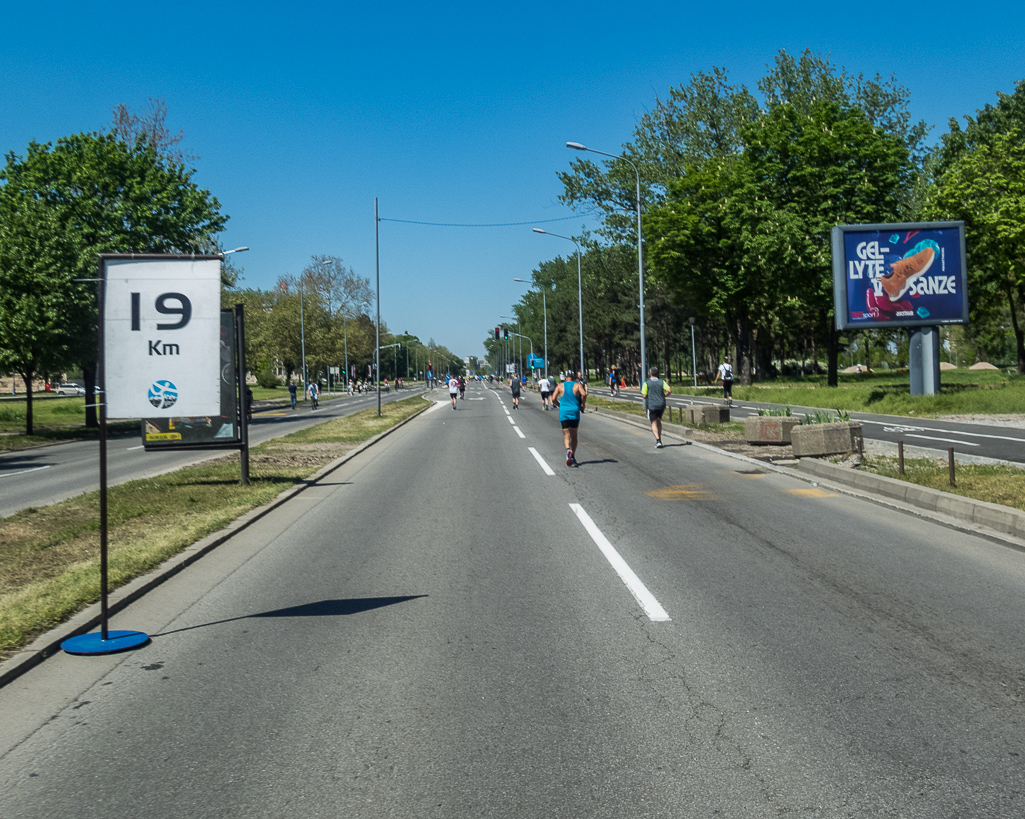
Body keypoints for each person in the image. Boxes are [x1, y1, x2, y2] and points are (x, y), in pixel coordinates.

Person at [552, 370, 586, 467]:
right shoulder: (577, 385)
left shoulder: (560, 386)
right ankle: (573, 455)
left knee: (566, 434)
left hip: (564, 412)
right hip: (574, 411)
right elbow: (583, 394)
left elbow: (553, 398)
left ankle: (568, 451)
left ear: (565, 377)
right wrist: (582, 405)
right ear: (573, 377)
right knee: (574, 435)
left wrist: (558, 404)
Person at [641, 366, 672, 448]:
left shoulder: (646, 383)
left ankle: (658, 440)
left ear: (649, 374)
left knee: (653, 422)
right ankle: (659, 438)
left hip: (652, 405)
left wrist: (649, 395)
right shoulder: (662, 382)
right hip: (661, 404)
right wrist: (665, 395)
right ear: (657, 374)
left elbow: (644, 395)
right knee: (659, 420)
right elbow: (669, 390)